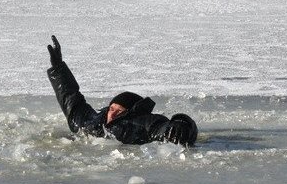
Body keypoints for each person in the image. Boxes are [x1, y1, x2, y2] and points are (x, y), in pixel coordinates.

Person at [45, 35, 198, 147]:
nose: (113, 113)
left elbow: (165, 128)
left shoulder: (144, 122)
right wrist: (58, 68)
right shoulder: (93, 121)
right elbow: (72, 99)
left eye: (120, 110)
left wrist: (181, 123)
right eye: (112, 108)